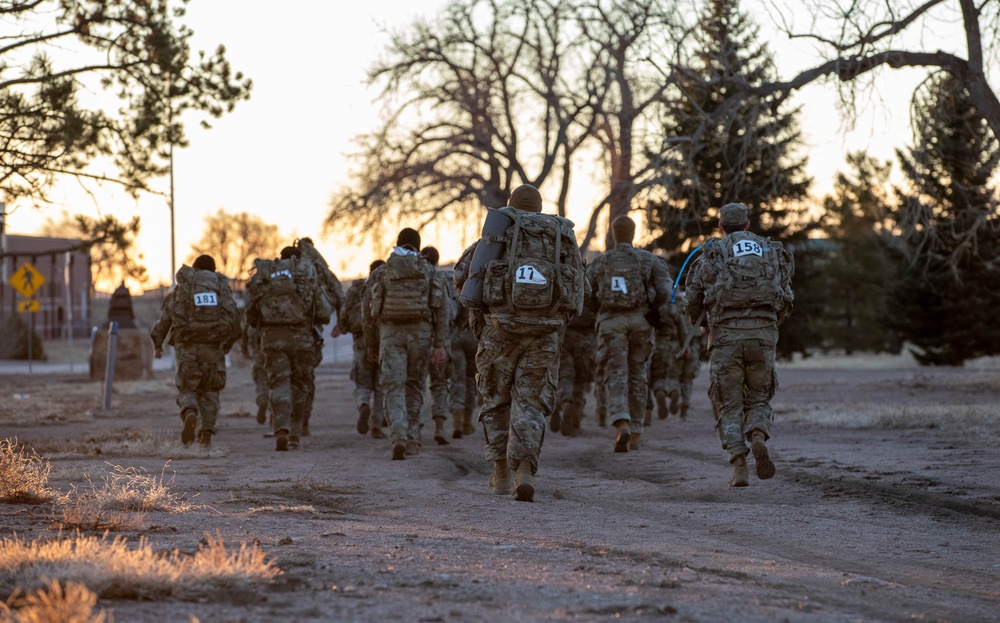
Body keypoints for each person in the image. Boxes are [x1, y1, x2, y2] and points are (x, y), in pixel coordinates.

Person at [467, 184, 586, 501]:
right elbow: (580, 284)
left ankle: (500, 474)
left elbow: (466, 275)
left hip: (500, 329)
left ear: (510, 205)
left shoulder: (498, 231)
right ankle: (524, 470)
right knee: (531, 403)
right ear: (539, 207)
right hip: (545, 331)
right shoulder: (560, 235)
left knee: (495, 400)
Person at [684, 202, 794, 487]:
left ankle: (739, 464)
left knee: (727, 403)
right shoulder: (770, 251)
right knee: (759, 397)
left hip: (725, 338)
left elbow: (692, 297)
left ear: (721, 227)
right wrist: (769, 325)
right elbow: (786, 297)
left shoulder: (712, 252)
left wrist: (705, 324)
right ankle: (757, 434)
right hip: (763, 335)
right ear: (747, 225)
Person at [587, 215, 676, 452]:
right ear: (633, 234)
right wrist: (653, 308)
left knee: (616, 373)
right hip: (641, 322)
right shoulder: (647, 259)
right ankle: (636, 431)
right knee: (638, 374)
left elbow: (584, 292)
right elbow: (666, 290)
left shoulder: (600, 262)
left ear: (613, 235)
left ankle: (621, 422)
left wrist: (599, 310)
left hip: (610, 322)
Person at [364, 228, 449, 460]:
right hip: (421, 335)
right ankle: (412, 438)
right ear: (418, 246)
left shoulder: (382, 271)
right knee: (414, 386)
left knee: (393, 387)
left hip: (390, 334)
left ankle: (398, 435)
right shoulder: (430, 271)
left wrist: (370, 344)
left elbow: (367, 310)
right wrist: (440, 344)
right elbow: (442, 310)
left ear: (397, 244)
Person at [245, 246, 332, 451]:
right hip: (302, 340)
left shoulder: (267, 279)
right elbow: (325, 313)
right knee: (300, 385)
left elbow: (251, 316)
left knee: (278, 384)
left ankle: (280, 429)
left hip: (273, 339)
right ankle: (295, 432)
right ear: (299, 260)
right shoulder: (305, 278)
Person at [150, 255, 241, 449]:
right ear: (213, 270)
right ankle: (206, 433)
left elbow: (166, 316)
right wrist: (227, 345)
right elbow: (234, 318)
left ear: (195, 269)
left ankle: (189, 412)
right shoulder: (220, 289)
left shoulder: (185, 288)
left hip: (187, 348)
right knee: (210, 391)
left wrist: (158, 344)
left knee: (188, 388)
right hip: (213, 348)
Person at [295, 237, 344, 436]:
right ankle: (303, 422)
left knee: (281, 377)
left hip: (279, 332)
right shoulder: (317, 268)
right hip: (310, 331)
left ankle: (282, 422)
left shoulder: (284, 268)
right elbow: (338, 293)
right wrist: (341, 322)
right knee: (306, 377)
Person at [333, 260, 387, 439]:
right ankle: (377, 425)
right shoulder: (388, 287)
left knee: (362, 383)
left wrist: (343, 327)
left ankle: (363, 405)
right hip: (384, 342)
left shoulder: (356, 289)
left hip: (360, 342)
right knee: (381, 386)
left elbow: (343, 313)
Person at [421, 245, 456, 445]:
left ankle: (412, 431)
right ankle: (440, 426)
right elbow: (451, 312)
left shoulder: (414, 278)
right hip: (441, 341)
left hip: (418, 340)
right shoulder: (443, 280)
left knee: (415, 386)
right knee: (440, 385)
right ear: (436, 262)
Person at [553, 283, 597, 437]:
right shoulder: (588, 282)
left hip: (564, 334)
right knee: (580, 381)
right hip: (587, 338)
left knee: (563, 375)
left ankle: (564, 403)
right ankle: (575, 424)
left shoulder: (561, 271)